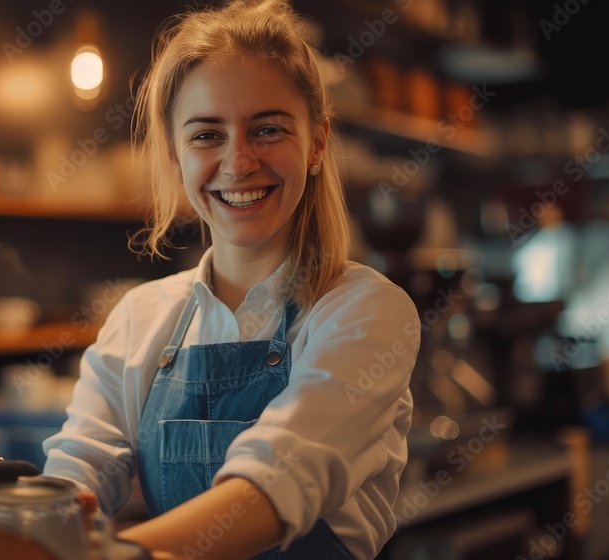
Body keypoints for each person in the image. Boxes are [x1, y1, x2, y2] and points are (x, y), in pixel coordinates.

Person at [42, 1, 420, 558]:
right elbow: (79, 469)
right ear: (173, 153)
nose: (238, 162)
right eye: (206, 135)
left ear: (317, 143)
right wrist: (36, 524)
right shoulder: (139, 319)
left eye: (267, 129)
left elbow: (274, 484)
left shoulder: (367, 312)